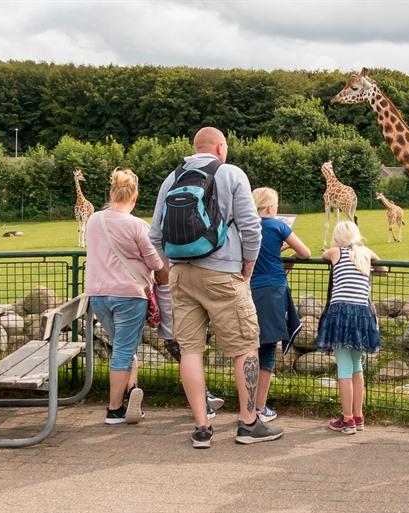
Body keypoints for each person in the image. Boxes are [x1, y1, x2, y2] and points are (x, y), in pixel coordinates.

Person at [149, 127, 283, 449]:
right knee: (245, 346)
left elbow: (155, 236)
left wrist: (174, 265)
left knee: (190, 349)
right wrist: (247, 266)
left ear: (195, 148)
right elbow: (252, 228)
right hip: (223, 274)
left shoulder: (172, 178)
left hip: (181, 275)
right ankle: (249, 423)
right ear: (221, 147)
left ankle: (201, 428)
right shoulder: (231, 173)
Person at [85, 168, 163, 425]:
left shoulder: (94, 220)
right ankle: (114, 409)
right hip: (129, 294)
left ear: (111, 192)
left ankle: (132, 392)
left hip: (98, 294)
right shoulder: (137, 225)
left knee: (122, 346)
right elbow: (154, 261)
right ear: (135, 195)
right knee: (123, 349)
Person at [316, 221, 386, 434]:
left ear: (338, 238)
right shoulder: (365, 253)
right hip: (362, 314)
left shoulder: (335, 252)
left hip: (340, 314)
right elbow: (383, 269)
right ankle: (358, 416)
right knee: (357, 366)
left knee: (344, 369)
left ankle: (347, 420)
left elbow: (323, 255)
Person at [250, 187, 311, 422]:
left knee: (250, 347)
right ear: (270, 207)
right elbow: (304, 252)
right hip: (274, 290)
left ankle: (248, 405)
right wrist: (282, 246)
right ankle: (260, 407)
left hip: (250, 290)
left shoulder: (248, 226)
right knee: (268, 350)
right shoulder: (279, 226)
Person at [155, 281, 224, 419]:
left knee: (185, 353)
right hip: (177, 303)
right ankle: (204, 399)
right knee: (186, 352)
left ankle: (204, 401)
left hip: (174, 304)